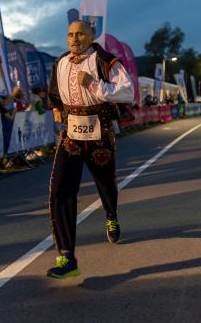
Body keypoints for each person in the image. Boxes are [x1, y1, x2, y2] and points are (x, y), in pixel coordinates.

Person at [45, 20, 133, 278]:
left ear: (92, 36)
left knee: (106, 183)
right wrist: (57, 110)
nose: (74, 38)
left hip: (99, 132)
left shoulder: (105, 61)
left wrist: (94, 84)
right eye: (70, 34)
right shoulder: (60, 62)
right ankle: (67, 257)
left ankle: (111, 214)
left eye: (80, 34)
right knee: (60, 190)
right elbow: (54, 95)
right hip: (71, 133)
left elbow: (127, 92)